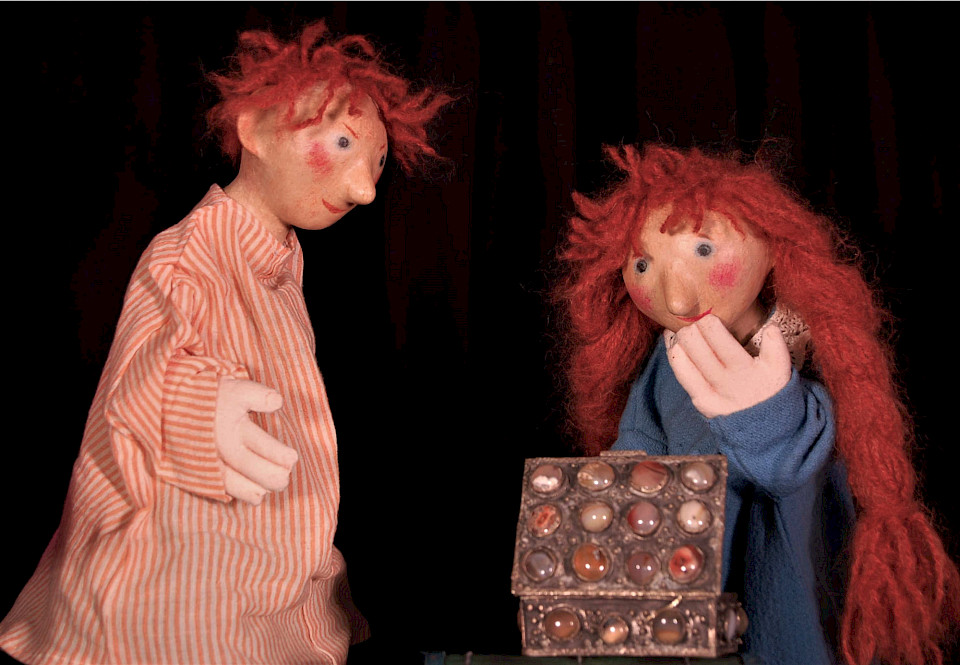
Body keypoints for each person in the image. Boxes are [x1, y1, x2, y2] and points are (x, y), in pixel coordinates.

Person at [0, 22, 449, 665]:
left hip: (271, 554)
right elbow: (140, 374)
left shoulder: (279, 260)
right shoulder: (186, 254)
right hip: (176, 568)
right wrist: (196, 406)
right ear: (256, 130)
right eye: (342, 145)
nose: (364, 188)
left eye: (374, 163)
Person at [556, 144, 959, 665]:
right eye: (642, 264)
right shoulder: (665, 360)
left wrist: (766, 416)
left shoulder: (807, 349)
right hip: (684, 583)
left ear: (769, 245)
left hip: (773, 575)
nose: (677, 300)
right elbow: (640, 437)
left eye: (703, 250)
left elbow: (802, 463)